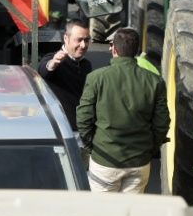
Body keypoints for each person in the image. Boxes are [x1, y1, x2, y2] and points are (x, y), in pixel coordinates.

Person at [76, 26, 169, 194]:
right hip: (139, 161)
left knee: (102, 213)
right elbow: (162, 123)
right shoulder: (155, 81)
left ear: (114, 49)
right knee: (129, 214)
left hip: (104, 159)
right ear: (136, 51)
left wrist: (92, 146)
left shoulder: (96, 78)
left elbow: (83, 118)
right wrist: (149, 149)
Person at [39, 20, 92, 128]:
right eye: (79, 40)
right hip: (61, 129)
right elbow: (44, 70)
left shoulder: (86, 65)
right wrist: (52, 64)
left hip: (82, 128)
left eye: (86, 40)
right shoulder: (54, 59)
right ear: (66, 39)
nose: (83, 45)